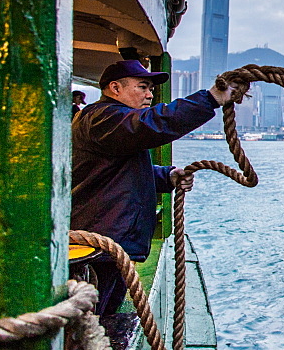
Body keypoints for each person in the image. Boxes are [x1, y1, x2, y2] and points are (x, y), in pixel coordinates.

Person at [72, 59, 241, 315]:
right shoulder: (103, 118)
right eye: (143, 87)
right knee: (90, 321)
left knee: (100, 315)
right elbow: (154, 123)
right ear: (115, 88)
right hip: (100, 245)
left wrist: (167, 176)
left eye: (150, 88)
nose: (150, 94)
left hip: (106, 239)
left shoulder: (107, 122)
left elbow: (115, 172)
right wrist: (210, 99)